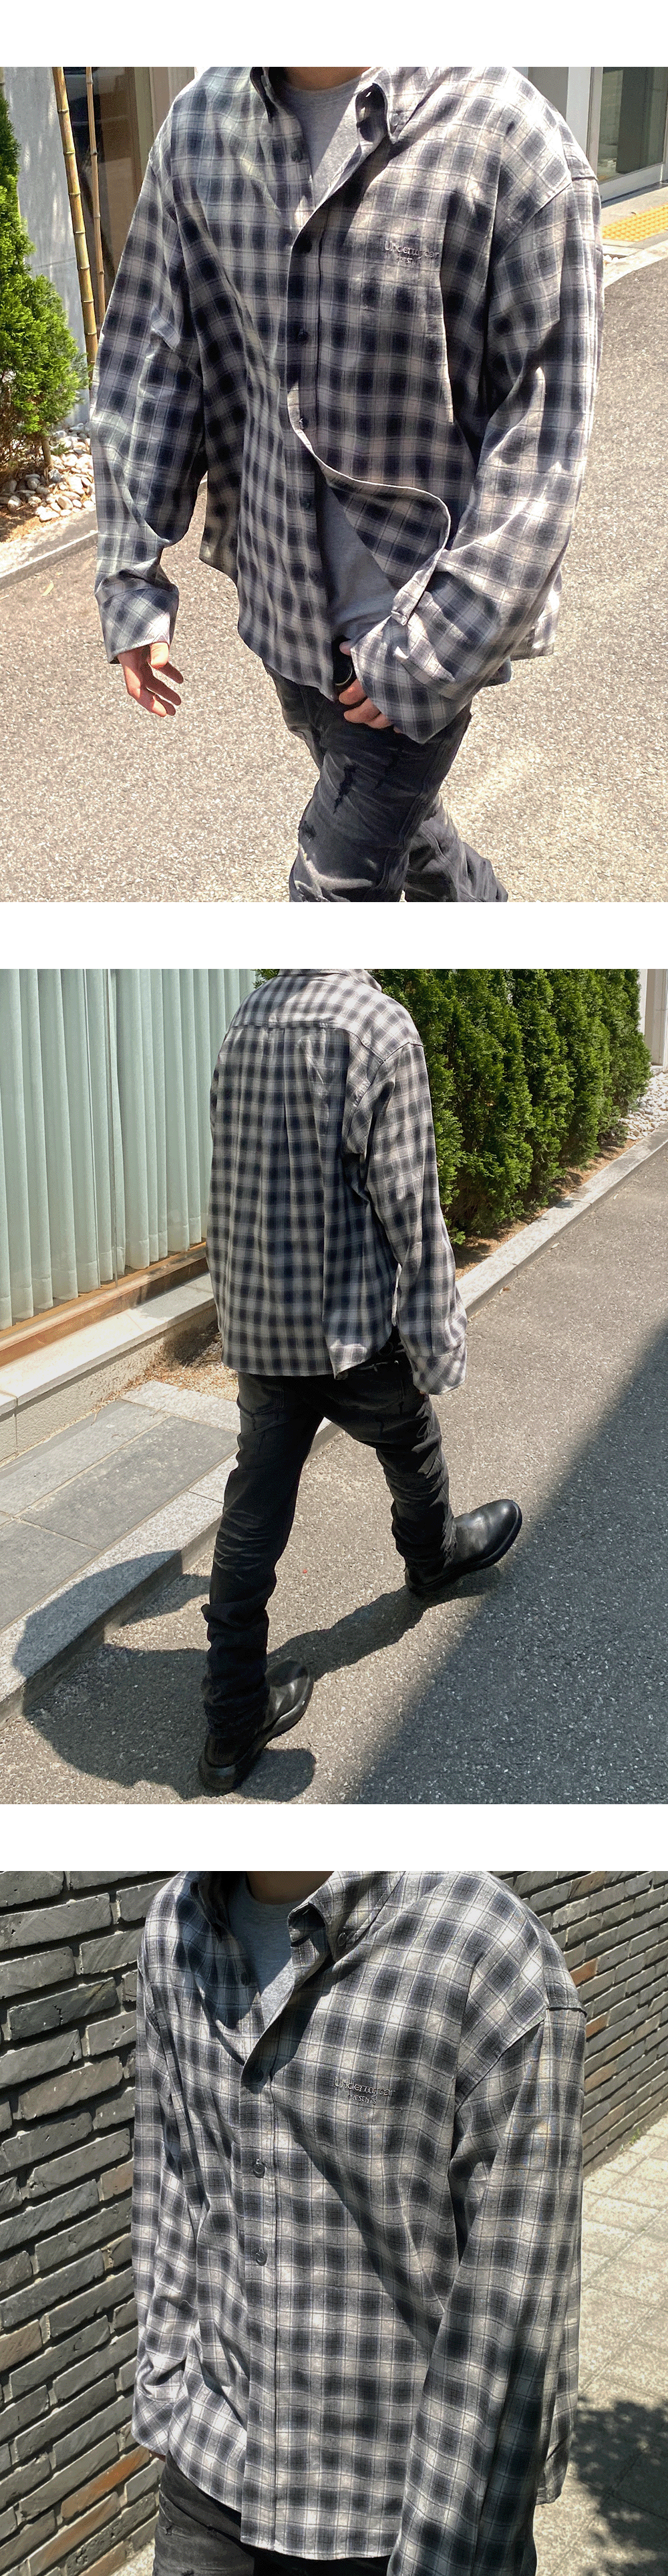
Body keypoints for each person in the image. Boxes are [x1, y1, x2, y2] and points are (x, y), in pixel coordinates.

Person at [90, 65, 603, 905]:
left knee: (331, 891)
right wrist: (130, 581)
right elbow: (155, 362)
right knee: (411, 833)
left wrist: (433, 652)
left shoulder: (507, 137)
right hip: (283, 616)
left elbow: (543, 437)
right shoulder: (198, 128)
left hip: (417, 621)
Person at [124, 1866, 585, 2576]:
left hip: (390, 2505)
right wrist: (165, 2386)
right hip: (216, 2455)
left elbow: (511, 2304)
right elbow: (171, 2176)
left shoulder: (485, 1952)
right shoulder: (174, 1928)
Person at [199, 970, 522, 1794]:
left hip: (262, 1324)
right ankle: (433, 1559)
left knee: (253, 1509)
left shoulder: (249, 1015)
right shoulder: (377, 1028)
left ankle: (230, 1721)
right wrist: (436, 1343)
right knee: (410, 1442)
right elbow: (412, 1207)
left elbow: (236, 1180)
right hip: (350, 1327)